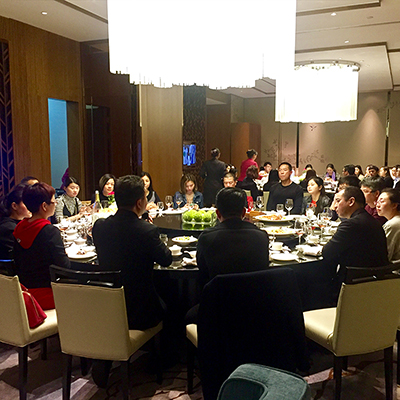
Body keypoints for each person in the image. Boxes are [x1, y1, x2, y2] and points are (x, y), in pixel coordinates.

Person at [92, 175, 172, 387]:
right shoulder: (146, 230)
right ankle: (160, 360)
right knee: (170, 303)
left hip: (108, 307)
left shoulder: (99, 227)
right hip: (140, 311)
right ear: (140, 203)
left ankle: (107, 356)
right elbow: (166, 259)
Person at [322, 186, 388, 303]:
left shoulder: (351, 224)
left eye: (338, 201)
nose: (334, 206)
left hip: (354, 287)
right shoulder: (371, 221)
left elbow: (327, 253)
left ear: (351, 201)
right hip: (376, 283)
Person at [196, 187, 270, 290]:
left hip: (217, 298)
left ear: (217, 213)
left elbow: (202, 273)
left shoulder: (206, 238)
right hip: (254, 297)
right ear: (243, 213)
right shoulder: (261, 237)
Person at [13, 182, 70, 310]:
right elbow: (64, 267)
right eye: (53, 201)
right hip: (48, 295)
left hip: (24, 294)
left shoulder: (20, 228)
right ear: (44, 206)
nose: (56, 204)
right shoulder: (49, 231)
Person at [0, 184, 31, 260]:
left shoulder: (20, 223)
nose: (31, 206)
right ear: (14, 206)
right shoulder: (9, 228)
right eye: (26, 203)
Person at [376, 189, 400, 263]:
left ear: (394, 205)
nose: (377, 205)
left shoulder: (393, 224)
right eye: (377, 201)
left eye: (382, 201)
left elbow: (384, 253)